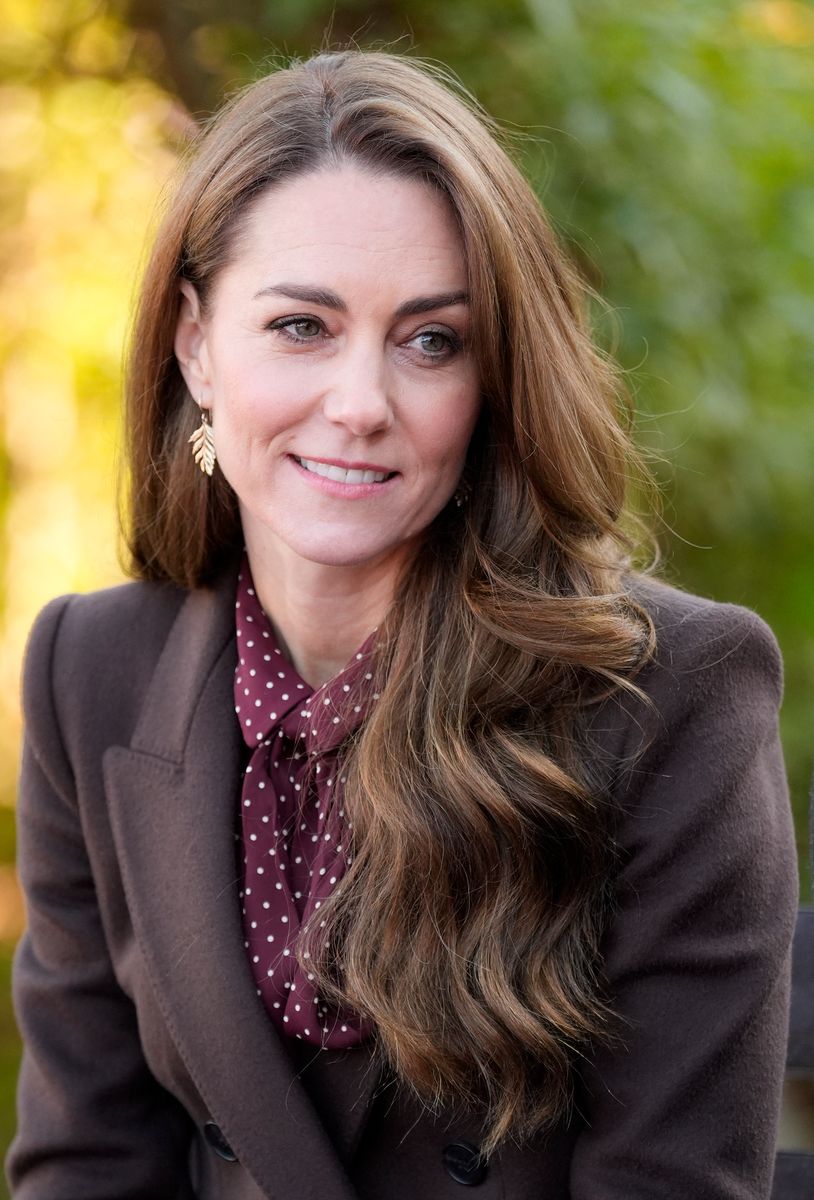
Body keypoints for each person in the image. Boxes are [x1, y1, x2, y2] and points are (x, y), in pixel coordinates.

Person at [7, 49, 797, 1200]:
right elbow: (89, 1165)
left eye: (432, 341)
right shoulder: (93, 672)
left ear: (491, 380)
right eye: (300, 327)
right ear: (194, 346)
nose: (363, 404)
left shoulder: (671, 692)